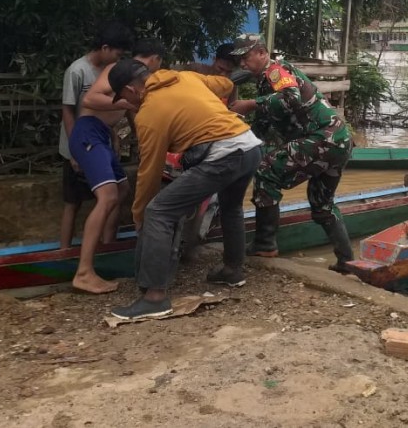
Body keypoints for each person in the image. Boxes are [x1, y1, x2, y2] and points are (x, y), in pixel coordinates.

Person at [108, 59, 262, 321]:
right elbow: (225, 84)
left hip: (223, 155)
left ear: (131, 90)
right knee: (231, 206)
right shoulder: (183, 77)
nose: (125, 104)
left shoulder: (148, 113)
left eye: (122, 97)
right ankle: (232, 270)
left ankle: (154, 298)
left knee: (158, 212)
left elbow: (150, 172)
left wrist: (139, 215)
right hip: (249, 146)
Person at [228, 34, 355, 273]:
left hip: (322, 138)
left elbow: (291, 98)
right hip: (338, 141)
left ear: (262, 53)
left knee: (266, 171)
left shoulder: (276, 71)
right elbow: (264, 125)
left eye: (246, 57)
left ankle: (265, 244)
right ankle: (347, 262)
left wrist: (251, 104)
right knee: (322, 204)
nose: (242, 64)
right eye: (240, 60)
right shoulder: (267, 82)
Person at [67, 39, 165, 294]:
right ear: (153, 59)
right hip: (88, 133)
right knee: (107, 196)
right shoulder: (119, 71)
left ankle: (107, 247)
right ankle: (84, 272)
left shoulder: (138, 82)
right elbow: (90, 99)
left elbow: (135, 118)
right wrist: (121, 103)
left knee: (120, 192)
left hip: (104, 136)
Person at [59, 22, 133, 250]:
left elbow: (105, 111)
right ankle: (64, 252)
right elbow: (68, 111)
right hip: (78, 142)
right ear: (105, 47)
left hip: (100, 142)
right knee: (73, 202)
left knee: (110, 194)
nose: (118, 59)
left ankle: (102, 244)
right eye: (117, 53)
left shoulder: (108, 71)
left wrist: (114, 135)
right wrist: (74, 151)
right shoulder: (77, 70)